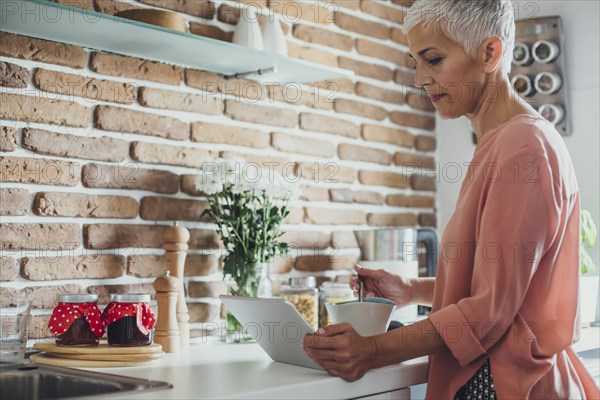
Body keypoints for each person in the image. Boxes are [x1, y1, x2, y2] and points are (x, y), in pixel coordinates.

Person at [303, 0, 599, 398]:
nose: (420, 78)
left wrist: (372, 350)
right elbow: (497, 284)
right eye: (415, 62)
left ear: (489, 53)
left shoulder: (524, 147)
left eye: (434, 60)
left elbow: (489, 313)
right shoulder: (500, 143)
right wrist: (412, 289)